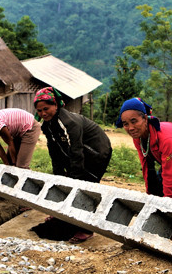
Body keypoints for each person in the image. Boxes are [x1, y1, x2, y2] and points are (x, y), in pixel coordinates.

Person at [34, 87, 113, 243]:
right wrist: (59, 178)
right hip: (77, 153)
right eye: (40, 110)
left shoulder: (68, 122)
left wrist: (73, 180)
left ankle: (86, 228)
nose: (43, 113)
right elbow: (54, 151)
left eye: (46, 108)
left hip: (96, 152)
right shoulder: (47, 125)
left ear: (55, 105)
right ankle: (63, 216)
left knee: (85, 186)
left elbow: (76, 153)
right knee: (67, 179)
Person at [116, 97, 172, 203]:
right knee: (158, 187)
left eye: (134, 121)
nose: (131, 128)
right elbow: (146, 166)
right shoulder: (138, 137)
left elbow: (169, 171)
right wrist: (149, 196)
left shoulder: (165, 138)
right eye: (126, 124)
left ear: (145, 119)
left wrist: (167, 202)